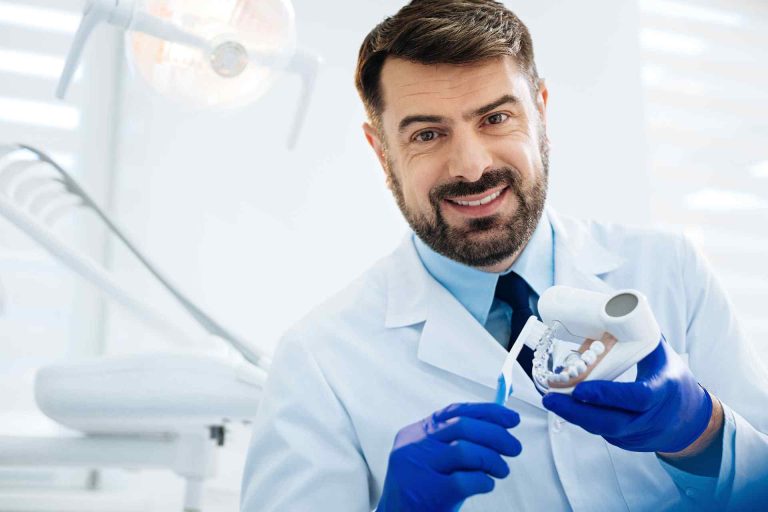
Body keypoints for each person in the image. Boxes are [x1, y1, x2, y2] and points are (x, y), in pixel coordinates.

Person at [240, 1, 768, 510]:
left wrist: (704, 432)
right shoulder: (318, 362)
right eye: (427, 133)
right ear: (382, 153)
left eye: (494, 119)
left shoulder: (672, 271)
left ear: (540, 113)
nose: (470, 166)